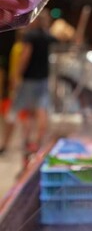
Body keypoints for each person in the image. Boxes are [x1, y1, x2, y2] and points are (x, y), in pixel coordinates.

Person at [0, 10, 57, 154]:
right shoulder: (49, 37)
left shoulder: (30, 36)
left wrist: (16, 76)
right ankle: (38, 143)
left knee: (12, 112)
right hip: (43, 80)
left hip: (28, 80)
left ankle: (5, 144)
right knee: (41, 111)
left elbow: (25, 57)